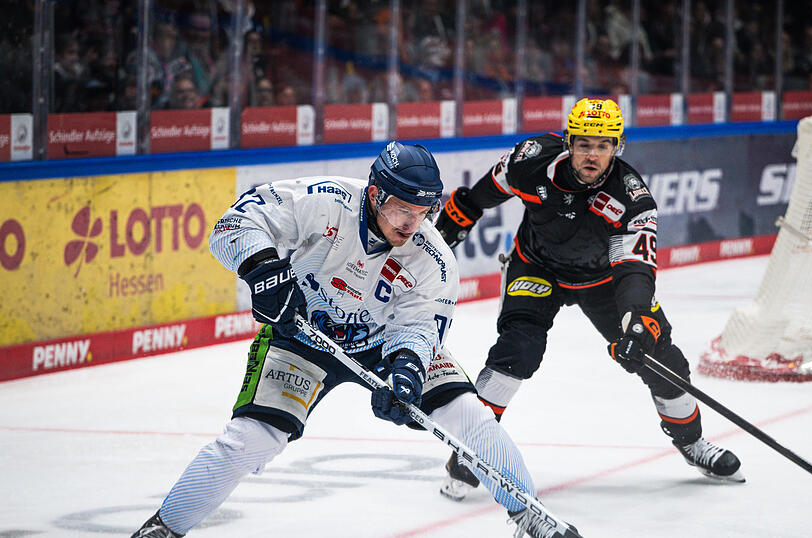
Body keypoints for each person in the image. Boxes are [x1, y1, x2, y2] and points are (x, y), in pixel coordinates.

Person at [130, 141, 579, 538]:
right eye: (403, 209)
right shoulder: (324, 201)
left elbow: (421, 328)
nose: (412, 223)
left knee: (470, 416)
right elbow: (235, 224)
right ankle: (163, 529)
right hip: (300, 337)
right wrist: (263, 271)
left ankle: (531, 517)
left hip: (384, 344)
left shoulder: (434, 258)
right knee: (252, 439)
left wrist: (406, 371)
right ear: (375, 194)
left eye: (423, 212)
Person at [434, 98, 745, 501]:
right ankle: (471, 452)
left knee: (664, 363)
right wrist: (455, 222)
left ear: (618, 146)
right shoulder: (531, 160)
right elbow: (482, 195)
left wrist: (636, 320)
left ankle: (692, 444)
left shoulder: (632, 199)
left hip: (604, 281)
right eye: (583, 144)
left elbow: (635, 270)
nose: (592, 154)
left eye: (602, 145)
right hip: (536, 267)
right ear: (567, 142)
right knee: (517, 351)